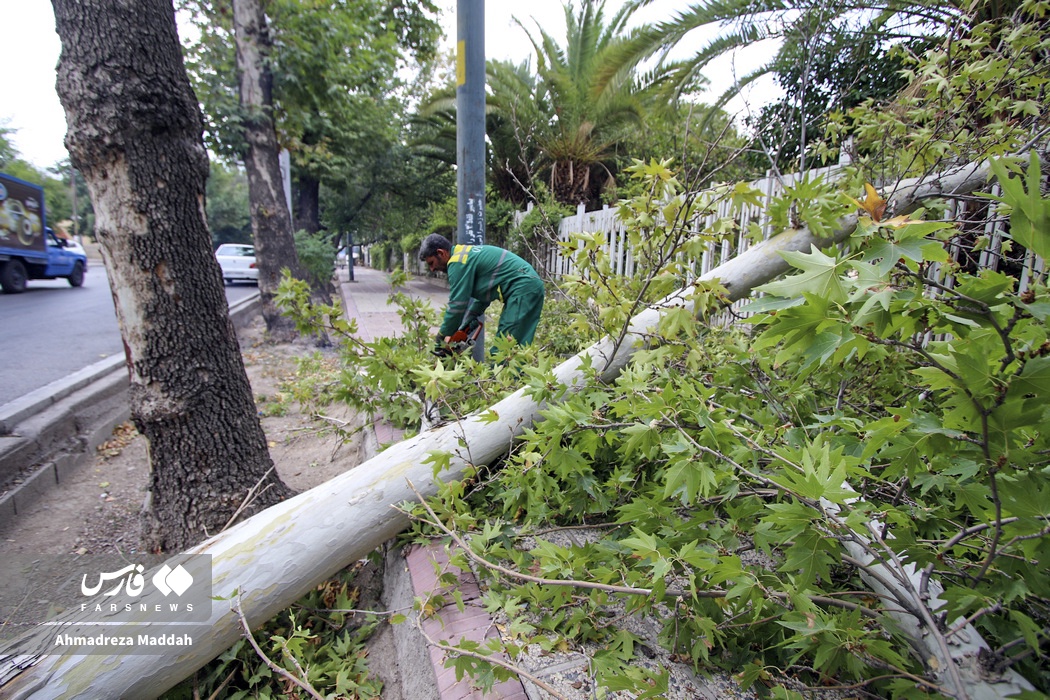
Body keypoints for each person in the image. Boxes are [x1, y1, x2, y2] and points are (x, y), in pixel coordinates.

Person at [419, 234, 545, 354]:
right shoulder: (465, 255)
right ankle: (516, 375)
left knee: (505, 348)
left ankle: (502, 376)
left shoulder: (457, 263)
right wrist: (469, 318)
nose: (432, 269)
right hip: (528, 286)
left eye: (431, 263)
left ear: (441, 253)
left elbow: (457, 306)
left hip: (522, 288)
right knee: (518, 345)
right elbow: (485, 292)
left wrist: (441, 338)